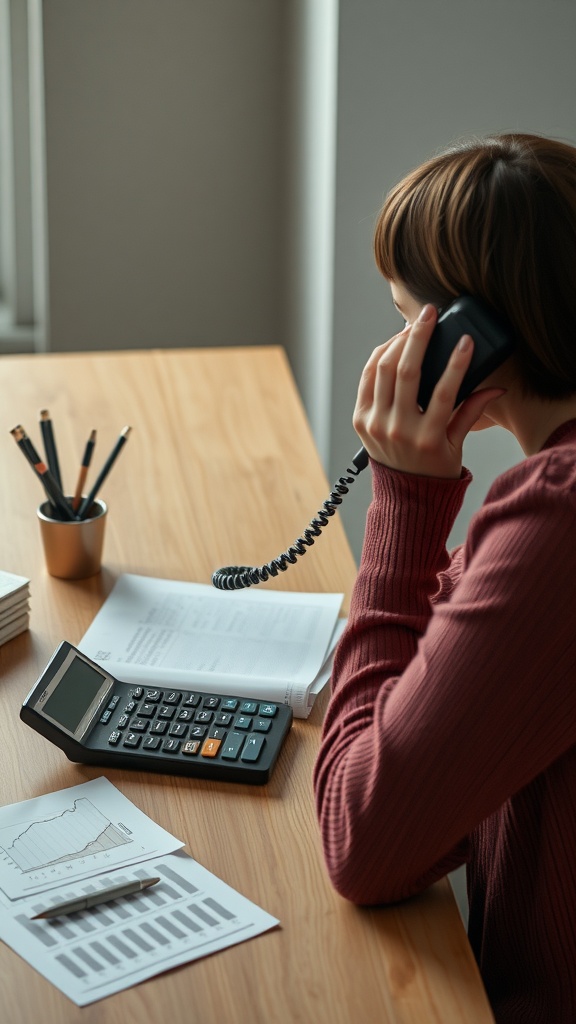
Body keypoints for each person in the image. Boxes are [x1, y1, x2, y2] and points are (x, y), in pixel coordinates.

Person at [313, 133, 576, 1024]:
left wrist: (405, 501)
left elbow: (366, 840)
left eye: (405, 320)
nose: (396, 349)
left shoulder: (560, 516)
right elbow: (457, 662)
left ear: (474, 337)